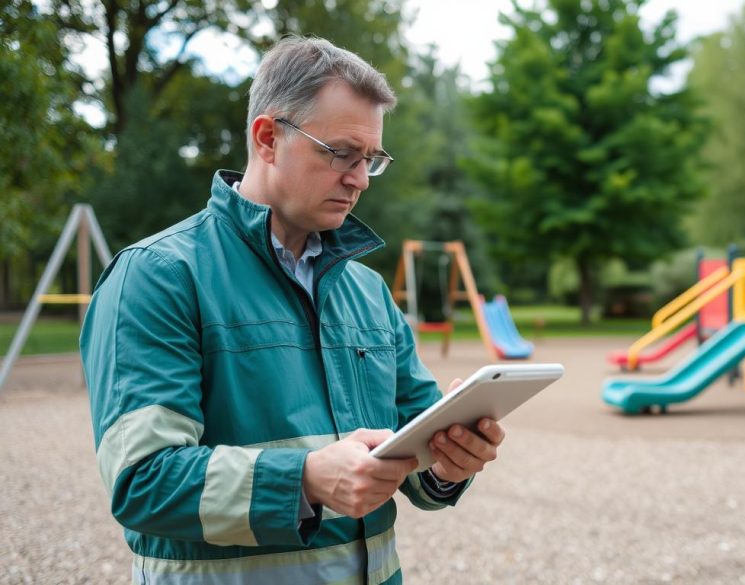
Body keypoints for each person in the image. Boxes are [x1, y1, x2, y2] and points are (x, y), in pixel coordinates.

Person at [80, 36, 505, 585]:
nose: (357, 178)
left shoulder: (369, 292)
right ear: (267, 138)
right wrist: (304, 480)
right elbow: (141, 482)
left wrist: (451, 462)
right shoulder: (158, 276)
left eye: (371, 160)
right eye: (340, 153)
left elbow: (416, 460)